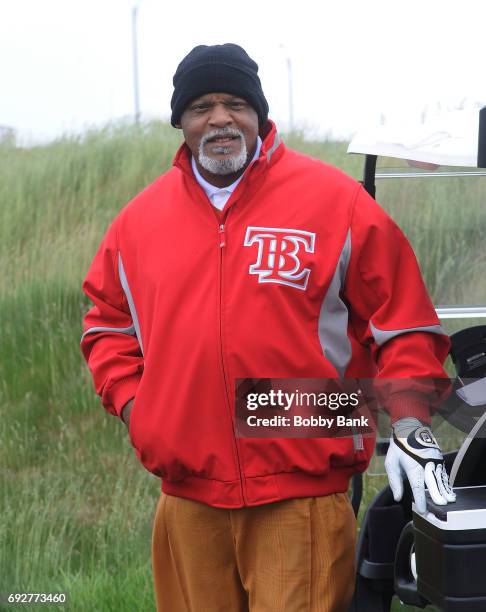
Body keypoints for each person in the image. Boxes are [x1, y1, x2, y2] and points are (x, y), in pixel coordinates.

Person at [80, 43, 455, 612]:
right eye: (203, 106)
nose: (221, 118)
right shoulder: (138, 223)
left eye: (235, 103)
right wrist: (141, 410)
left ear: (259, 112)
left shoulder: (336, 203)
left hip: (301, 489)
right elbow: (106, 328)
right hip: (187, 499)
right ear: (181, 120)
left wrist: (408, 420)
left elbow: (404, 324)